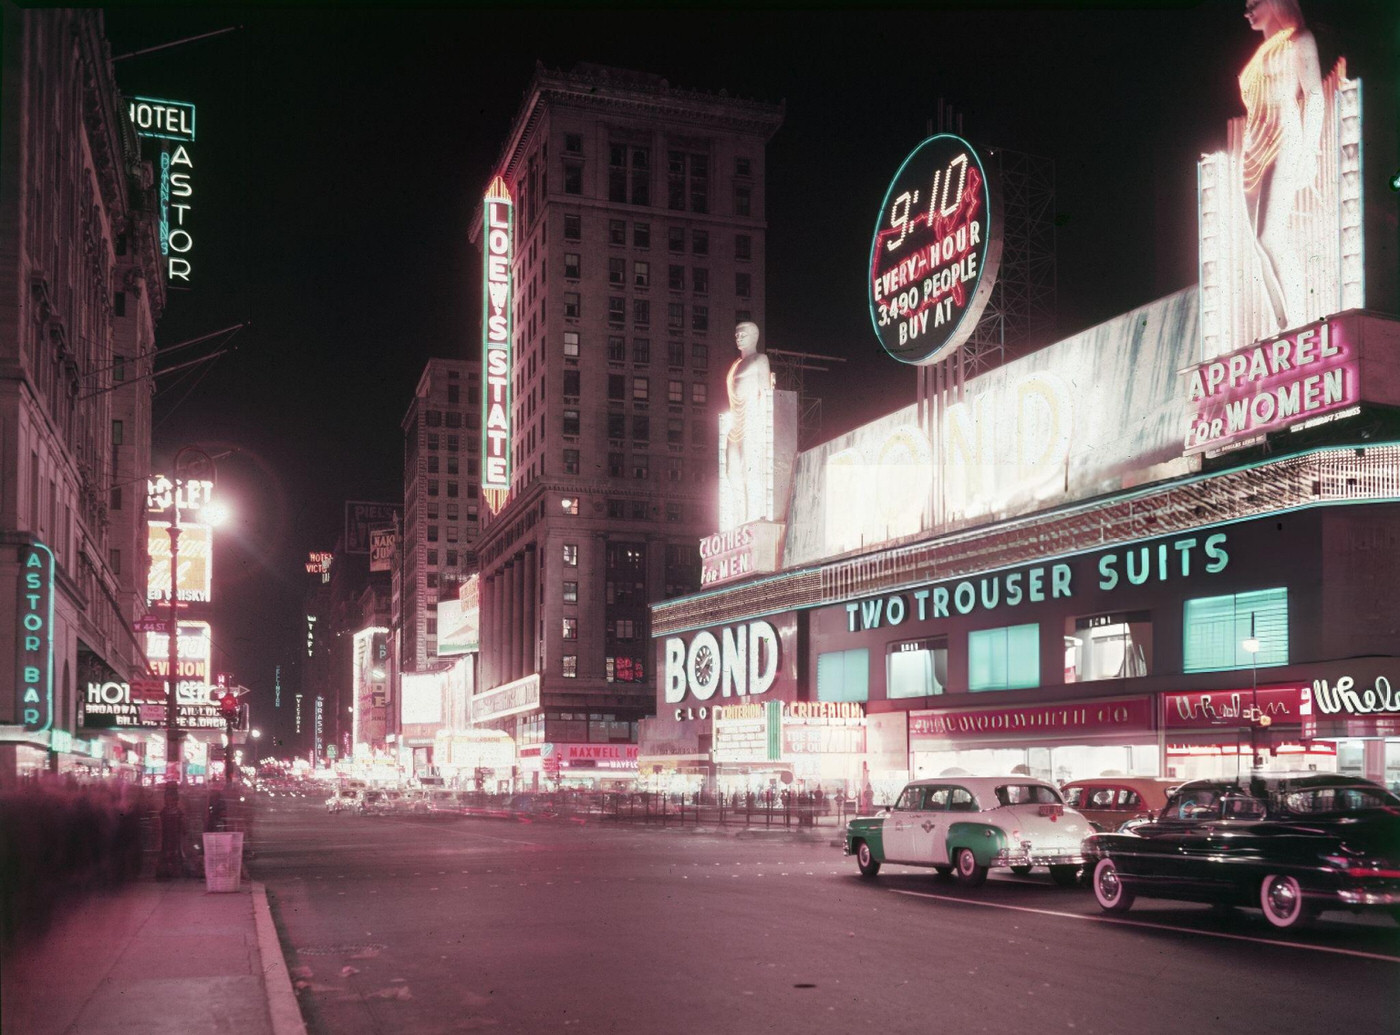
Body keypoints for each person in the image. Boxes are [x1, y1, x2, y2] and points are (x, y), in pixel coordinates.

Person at [1239, 0, 1323, 332]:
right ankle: (1282, 324)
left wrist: (1309, 151)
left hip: (1284, 141)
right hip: (1252, 151)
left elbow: (1314, 94)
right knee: (1258, 247)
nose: (1246, 12)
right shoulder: (1259, 56)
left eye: (1252, 3)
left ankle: (1299, 320)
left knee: (1269, 235)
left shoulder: (1300, 39)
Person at [723, 322, 773, 526]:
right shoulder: (735, 364)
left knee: (750, 467)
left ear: (755, 336)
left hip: (752, 419)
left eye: (743, 334)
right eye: (736, 334)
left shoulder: (760, 359)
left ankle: (752, 514)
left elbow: (766, 390)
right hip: (735, 421)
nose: (738, 337)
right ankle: (739, 515)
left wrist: (764, 419)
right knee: (732, 471)